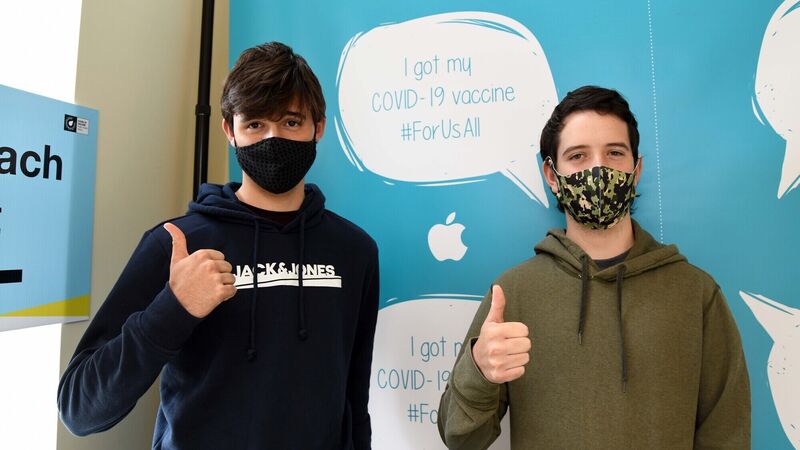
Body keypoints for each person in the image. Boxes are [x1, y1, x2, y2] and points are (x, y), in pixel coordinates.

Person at [58, 42, 379, 449]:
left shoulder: (354, 251)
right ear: (230, 131)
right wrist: (174, 308)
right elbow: (80, 408)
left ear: (318, 127)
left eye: (291, 122)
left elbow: (354, 400)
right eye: (255, 124)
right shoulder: (176, 244)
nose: (273, 138)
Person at [437, 86, 750, 449]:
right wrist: (479, 370)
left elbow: (727, 435)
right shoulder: (514, 293)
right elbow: (460, 438)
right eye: (578, 156)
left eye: (614, 153)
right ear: (551, 175)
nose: (598, 170)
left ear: (636, 169)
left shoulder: (696, 294)